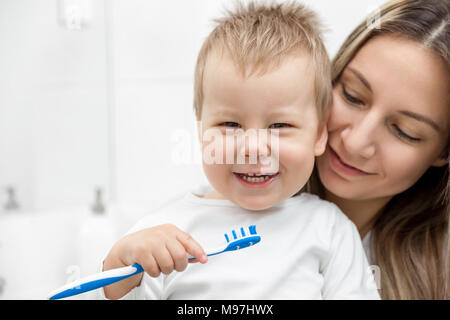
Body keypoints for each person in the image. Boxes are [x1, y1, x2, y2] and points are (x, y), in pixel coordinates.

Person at [100, 2, 379, 300]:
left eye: (280, 125)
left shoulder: (329, 229)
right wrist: (118, 269)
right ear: (201, 131)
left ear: (320, 134)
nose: (253, 148)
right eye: (230, 124)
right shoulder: (162, 236)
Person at [307, 0, 449, 299]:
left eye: (404, 132)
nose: (356, 142)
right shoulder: (224, 209)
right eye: (352, 96)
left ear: (443, 153)